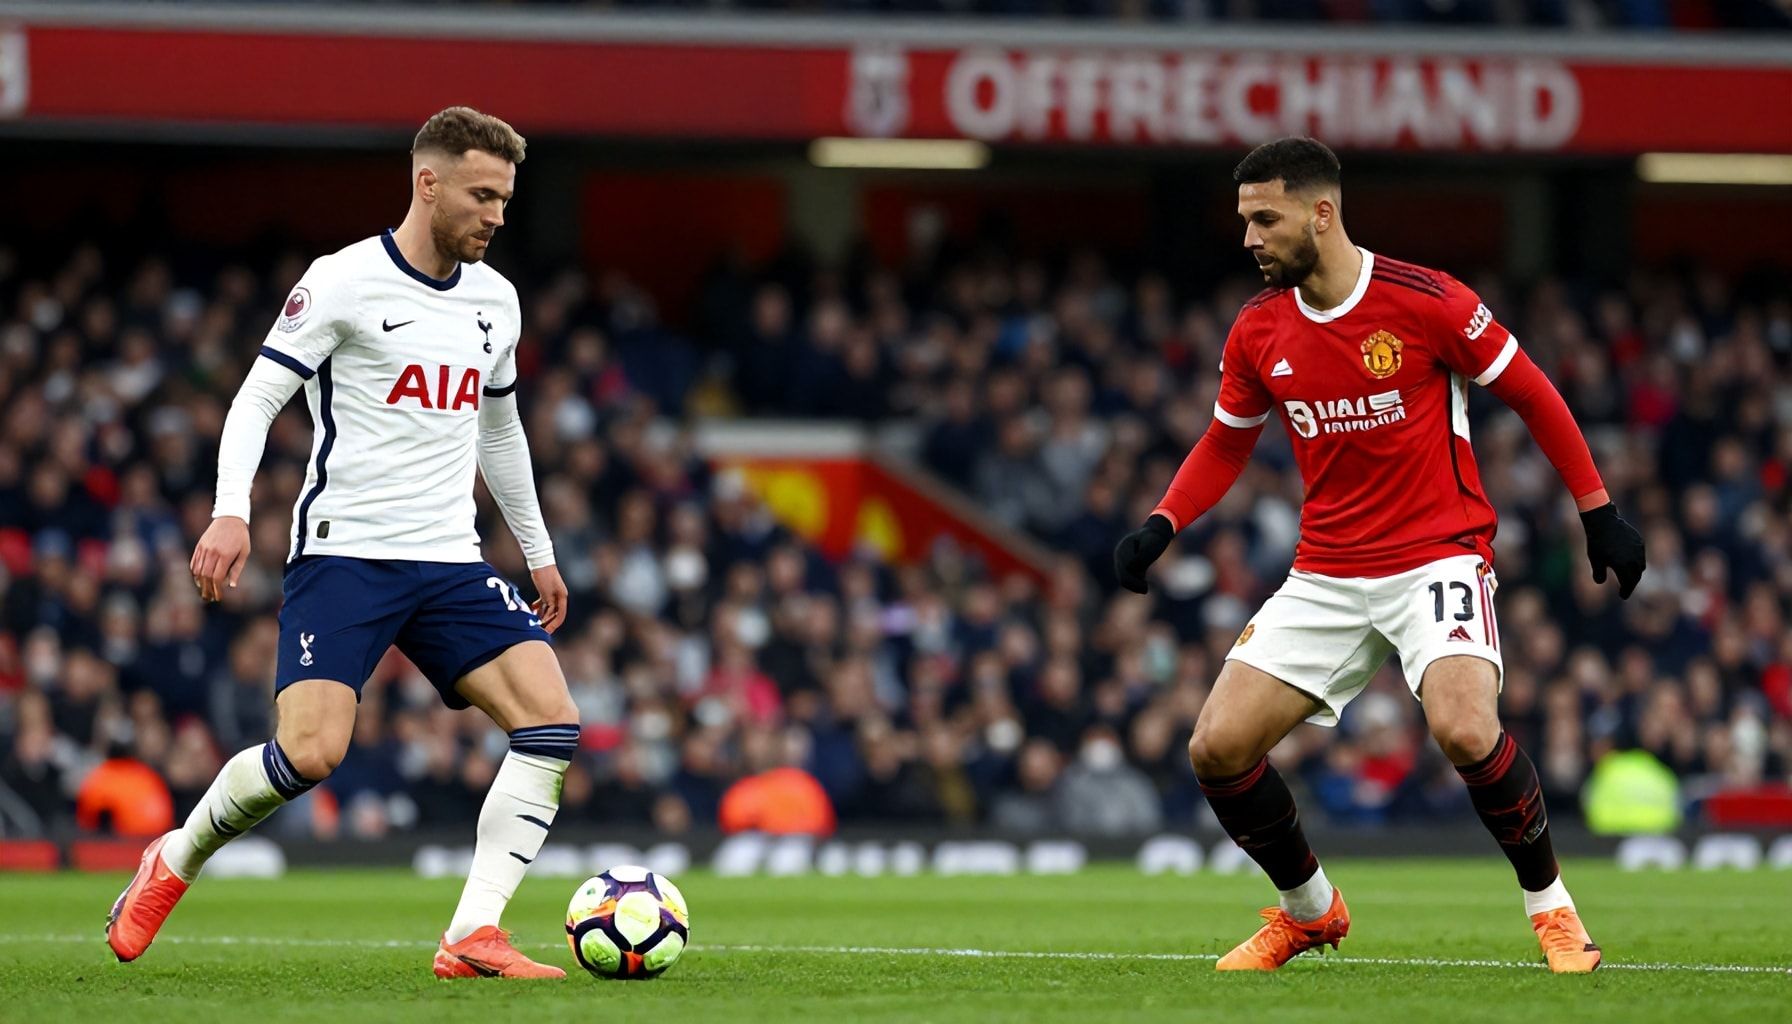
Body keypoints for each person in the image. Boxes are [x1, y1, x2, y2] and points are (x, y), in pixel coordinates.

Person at [1112, 137, 1645, 973]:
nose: (1248, 238)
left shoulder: (1427, 301)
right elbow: (1224, 443)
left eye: (1265, 218)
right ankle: (1309, 912)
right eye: (1244, 220)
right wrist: (1163, 522)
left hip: (1437, 555)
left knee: (1465, 729)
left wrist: (1598, 510)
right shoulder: (1258, 330)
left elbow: (1533, 392)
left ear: (1321, 214)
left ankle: (1555, 913)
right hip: (1325, 570)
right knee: (1216, 747)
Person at [106, 107, 580, 980]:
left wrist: (538, 550)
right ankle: (174, 857)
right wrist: (229, 510)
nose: (497, 216)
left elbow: (501, 433)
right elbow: (253, 401)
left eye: (507, 200)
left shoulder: (496, 301)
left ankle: (473, 935)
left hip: (448, 559)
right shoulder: (344, 282)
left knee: (550, 723)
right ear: (427, 184)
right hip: (345, 554)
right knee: (312, 754)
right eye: (483, 195)